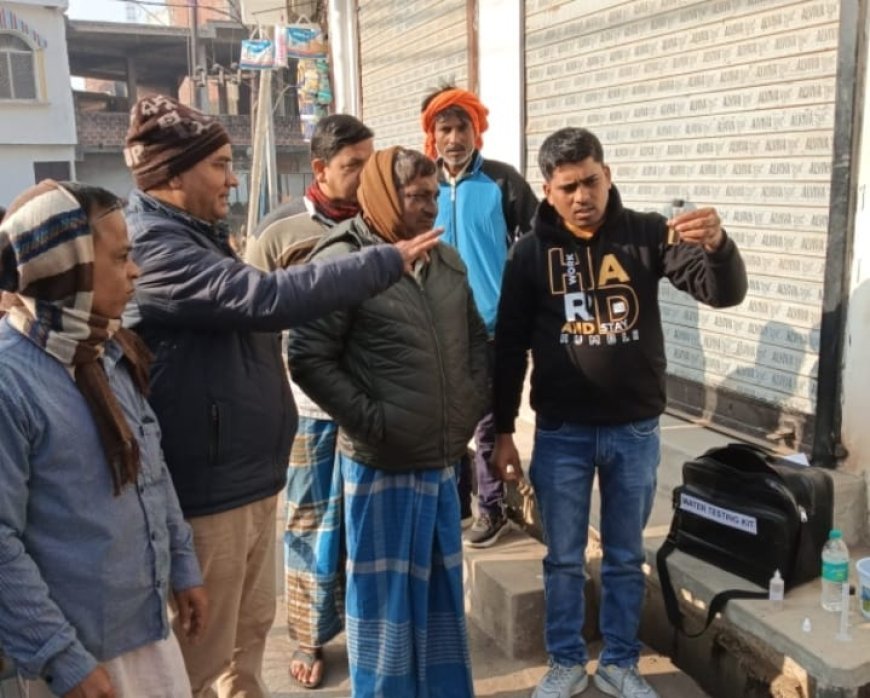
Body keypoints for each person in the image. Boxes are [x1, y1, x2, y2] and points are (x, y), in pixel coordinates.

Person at [121, 95, 440, 698]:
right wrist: (383, 262)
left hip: (245, 475)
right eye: (219, 165)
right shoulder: (157, 247)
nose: (232, 179)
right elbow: (266, 298)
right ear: (173, 175)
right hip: (207, 491)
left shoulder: (197, 235)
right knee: (199, 654)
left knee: (247, 633)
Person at [491, 127, 747, 698]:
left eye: (591, 181)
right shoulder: (529, 254)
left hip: (634, 432)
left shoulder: (647, 234)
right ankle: (565, 662)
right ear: (547, 190)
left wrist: (718, 246)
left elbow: (721, 293)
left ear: (607, 175)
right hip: (561, 433)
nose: (582, 196)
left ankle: (620, 663)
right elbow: (508, 348)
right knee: (563, 558)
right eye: (568, 187)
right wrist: (503, 430)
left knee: (626, 557)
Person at [287, 147, 489, 697]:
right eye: (417, 196)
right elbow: (307, 356)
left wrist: (467, 408)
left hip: (439, 460)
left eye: (434, 195)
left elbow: (475, 340)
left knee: (440, 595)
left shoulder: (445, 259)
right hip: (382, 464)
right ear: (382, 196)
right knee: (384, 609)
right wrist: (373, 421)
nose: (430, 207)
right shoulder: (344, 260)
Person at [0, 180, 207, 697]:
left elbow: (151, 468)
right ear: (66, 270)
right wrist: (62, 659)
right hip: (79, 654)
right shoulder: (10, 381)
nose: (135, 270)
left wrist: (183, 567)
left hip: (145, 627)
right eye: (119, 258)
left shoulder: (105, 349)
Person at [245, 114, 374, 689]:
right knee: (307, 521)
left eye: (370, 162)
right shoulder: (279, 232)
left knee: (364, 524)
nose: (365, 175)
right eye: (352, 166)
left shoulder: (380, 222)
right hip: (306, 409)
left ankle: (367, 629)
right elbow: (251, 323)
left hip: (370, 405)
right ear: (320, 168)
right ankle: (309, 635)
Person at [421, 83, 538, 547]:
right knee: (447, 422)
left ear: (477, 130)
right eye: (444, 130)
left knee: (488, 423)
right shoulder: (422, 185)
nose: (454, 139)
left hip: (490, 327)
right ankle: (457, 504)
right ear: (432, 135)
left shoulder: (502, 181)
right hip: (436, 325)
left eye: (462, 128)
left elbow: (537, 237)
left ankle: (492, 509)